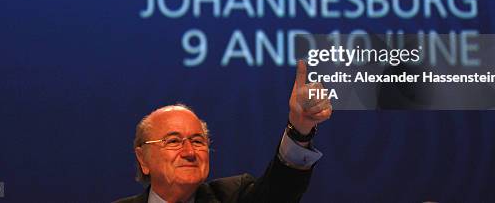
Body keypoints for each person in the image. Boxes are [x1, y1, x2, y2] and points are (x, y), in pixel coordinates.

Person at [113, 60, 332, 203]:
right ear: (143, 159)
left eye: (198, 141)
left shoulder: (233, 196)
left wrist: (300, 129)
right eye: (173, 141)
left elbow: (279, 192)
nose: (189, 152)